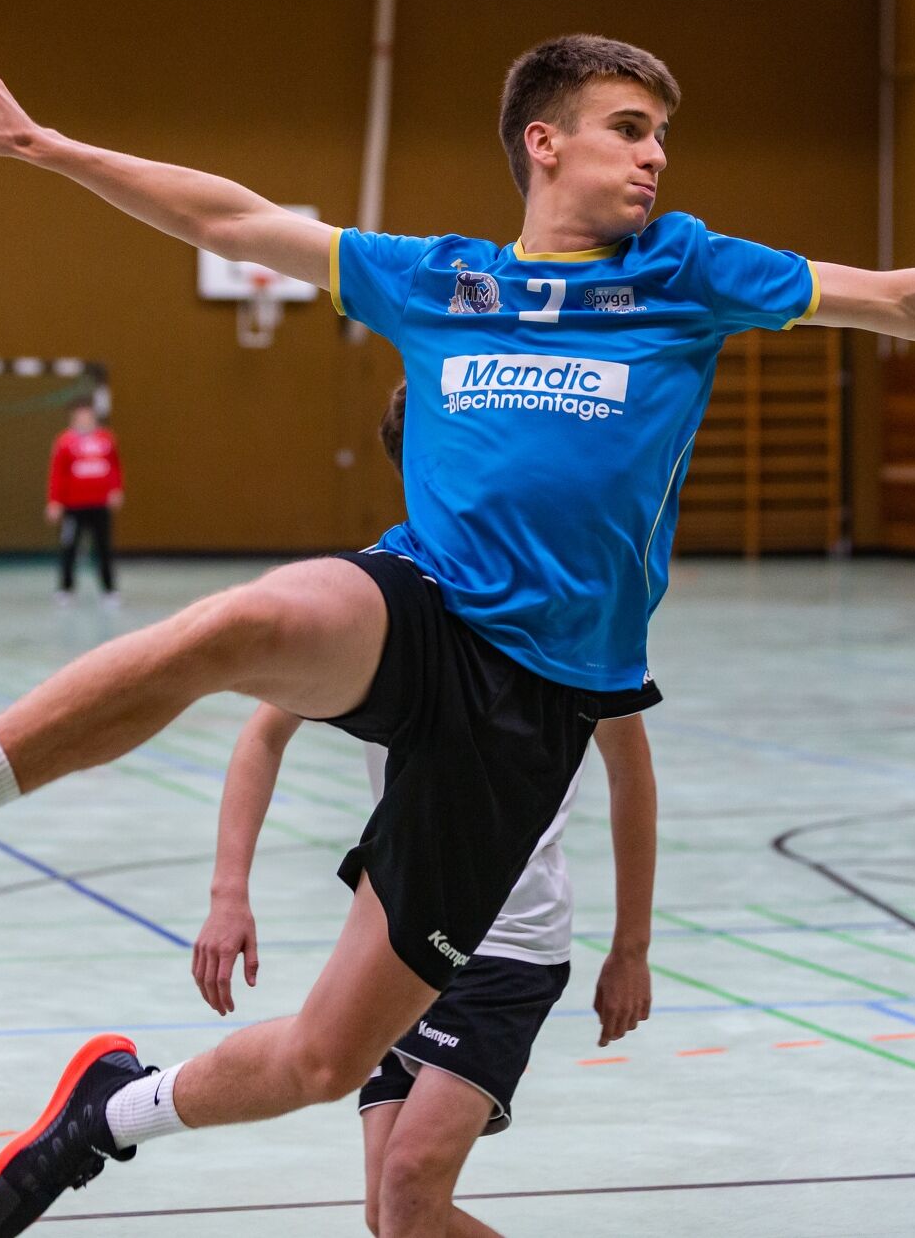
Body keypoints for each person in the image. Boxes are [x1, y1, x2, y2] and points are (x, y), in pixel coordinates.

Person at [0, 34, 915, 1238]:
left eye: (662, 136)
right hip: (424, 612)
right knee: (235, 624)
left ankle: (108, 1112)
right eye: (629, 129)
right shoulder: (445, 278)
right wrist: (44, 146)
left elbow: (898, 298)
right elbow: (228, 216)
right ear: (544, 141)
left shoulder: (683, 272)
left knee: (321, 1060)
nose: (655, 156)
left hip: (536, 713)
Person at [189, 380, 656, 1237]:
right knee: (395, 1216)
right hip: (399, 930)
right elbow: (262, 736)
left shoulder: (570, 595)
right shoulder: (382, 596)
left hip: (509, 941)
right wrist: (228, 892)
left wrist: (631, 947)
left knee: (409, 1188)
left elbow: (630, 773)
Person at [46, 400, 124, 608]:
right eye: (81, 416)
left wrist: (116, 489)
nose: (85, 419)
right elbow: (57, 473)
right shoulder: (64, 442)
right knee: (69, 547)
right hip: (74, 506)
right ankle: (66, 589)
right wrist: (54, 501)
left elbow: (114, 466)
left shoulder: (106, 439)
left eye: (88, 415)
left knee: (103, 547)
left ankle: (109, 589)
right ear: (73, 418)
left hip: (99, 504)